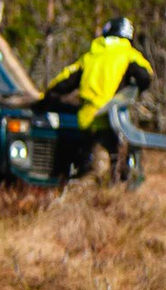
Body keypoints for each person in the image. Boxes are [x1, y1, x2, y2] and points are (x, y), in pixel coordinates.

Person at [41, 16, 154, 178]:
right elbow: (146, 76)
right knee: (101, 173)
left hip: (84, 121)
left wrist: (44, 99)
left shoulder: (90, 56)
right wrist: (132, 89)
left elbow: (62, 82)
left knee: (78, 166)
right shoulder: (129, 54)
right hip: (109, 121)